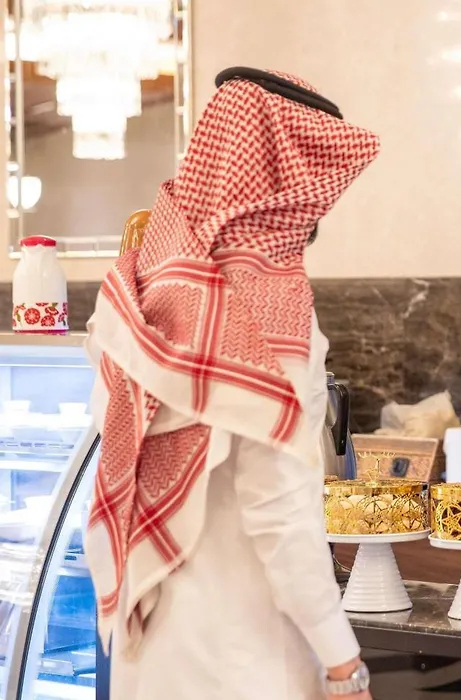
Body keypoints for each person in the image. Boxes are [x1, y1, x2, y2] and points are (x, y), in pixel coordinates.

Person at [83, 67, 381, 700]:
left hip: (153, 651)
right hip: (244, 657)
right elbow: (279, 510)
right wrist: (344, 664)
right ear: (285, 173)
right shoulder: (268, 313)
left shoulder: (143, 281)